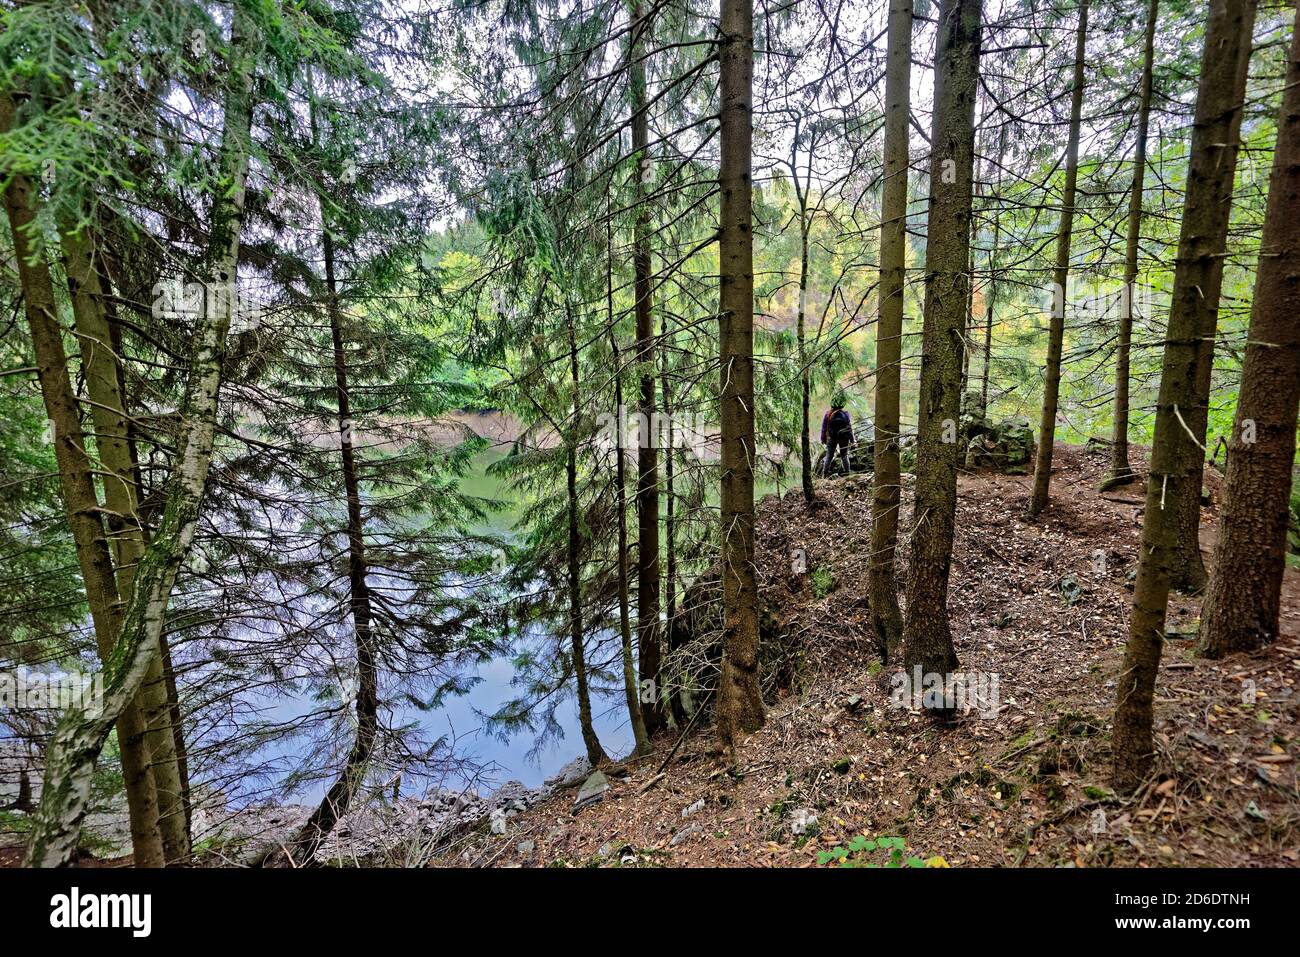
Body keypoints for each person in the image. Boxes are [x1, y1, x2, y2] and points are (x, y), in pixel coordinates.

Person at [820, 395, 854, 477]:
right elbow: (849, 428)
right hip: (844, 438)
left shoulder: (828, 414)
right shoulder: (845, 414)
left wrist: (823, 439)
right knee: (844, 455)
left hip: (832, 438)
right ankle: (847, 473)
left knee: (829, 456)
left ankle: (825, 474)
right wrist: (852, 440)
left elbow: (824, 428)